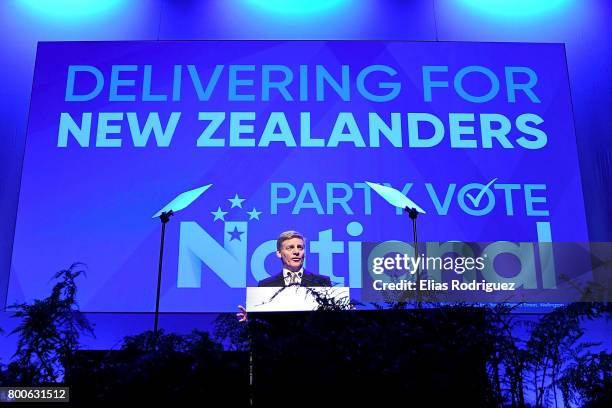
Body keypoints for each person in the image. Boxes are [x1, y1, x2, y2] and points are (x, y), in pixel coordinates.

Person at [237, 230, 331, 322]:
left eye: (300, 247)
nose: (296, 252)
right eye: (290, 248)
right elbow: (263, 320)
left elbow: (331, 317)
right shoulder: (265, 285)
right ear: (279, 253)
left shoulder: (322, 282)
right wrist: (252, 318)